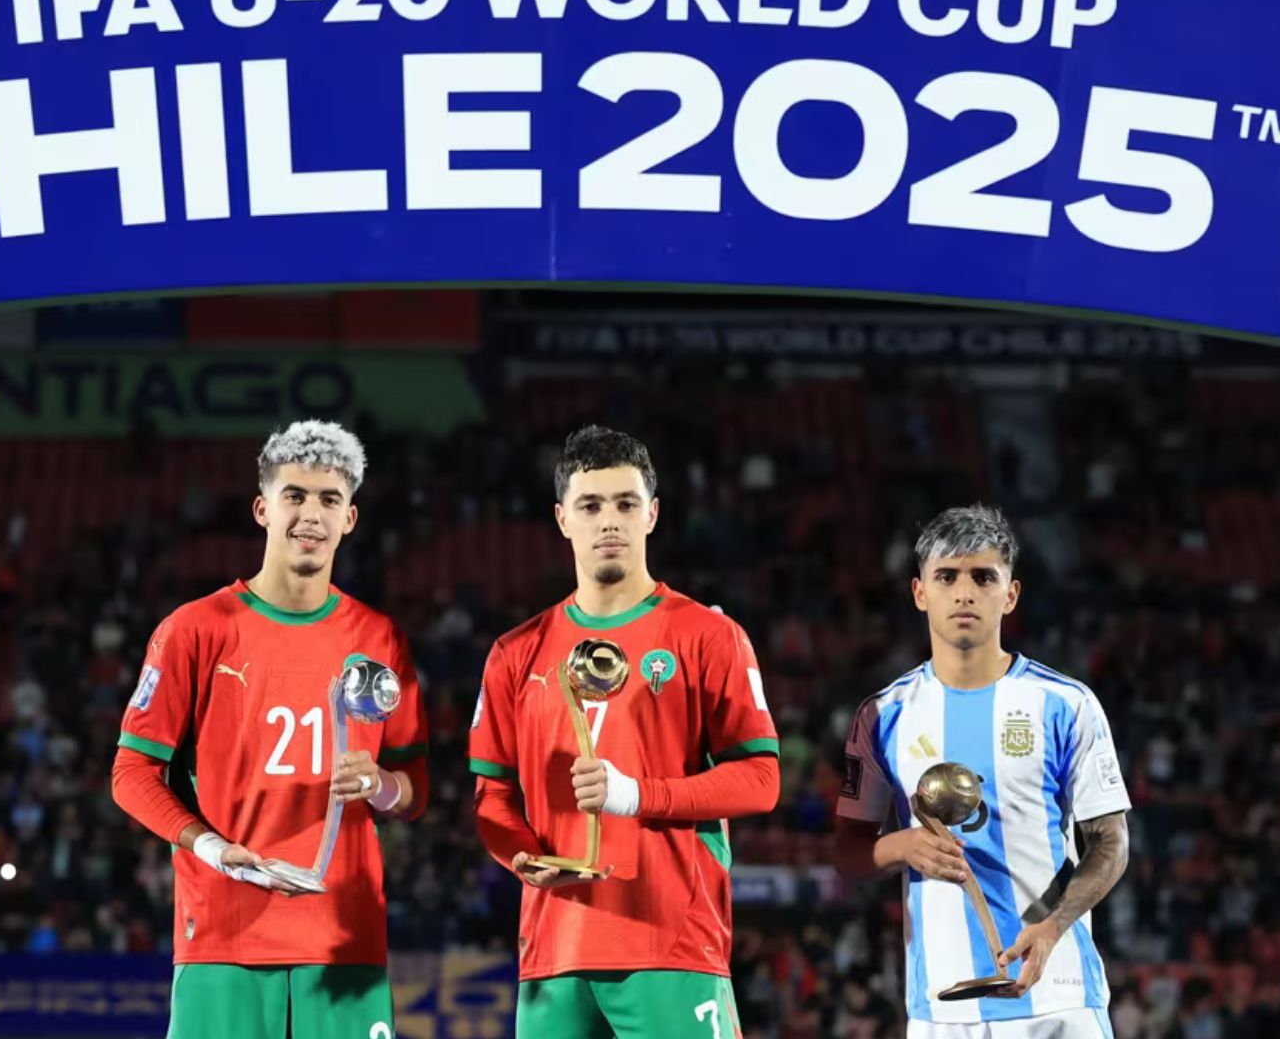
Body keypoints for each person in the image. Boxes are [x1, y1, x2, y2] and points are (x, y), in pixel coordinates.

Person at [112, 420, 429, 1039]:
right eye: (295, 496)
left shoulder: (380, 637)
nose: (311, 514)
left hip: (344, 941)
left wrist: (381, 785)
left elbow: (414, 790)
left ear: (349, 519)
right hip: (224, 934)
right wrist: (210, 847)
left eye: (329, 499)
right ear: (263, 508)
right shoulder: (194, 629)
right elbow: (131, 773)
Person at [470, 424, 780, 1038]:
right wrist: (520, 855)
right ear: (562, 519)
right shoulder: (514, 653)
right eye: (590, 506)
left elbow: (761, 780)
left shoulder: (709, 636)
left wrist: (638, 795)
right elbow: (492, 796)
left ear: (652, 514)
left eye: (625, 504)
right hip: (554, 952)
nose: (609, 521)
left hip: (671, 945)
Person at [834, 504, 1130, 1038]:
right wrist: (903, 845)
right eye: (947, 577)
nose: (964, 593)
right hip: (944, 1010)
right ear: (920, 592)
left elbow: (1111, 843)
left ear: (1010, 594)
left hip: (1058, 999)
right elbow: (848, 851)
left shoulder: (1066, 704)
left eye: (983, 577)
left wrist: (1052, 926)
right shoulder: (882, 716)